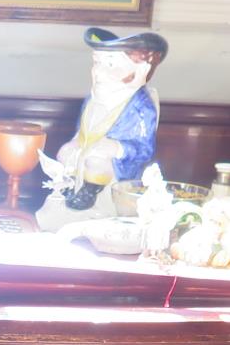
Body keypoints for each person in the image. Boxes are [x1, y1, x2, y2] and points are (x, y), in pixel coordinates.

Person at [53, 28, 169, 214]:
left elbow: (144, 150)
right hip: (86, 152)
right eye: (97, 63)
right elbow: (83, 128)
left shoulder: (140, 109)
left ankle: (89, 193)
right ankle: (71, 188)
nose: (99, 72)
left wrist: (117, 148)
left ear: (141, 70)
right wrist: (74, 142)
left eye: (110, 65)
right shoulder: (93, 99)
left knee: (96, 159)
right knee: (65, 154)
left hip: (119, 168)